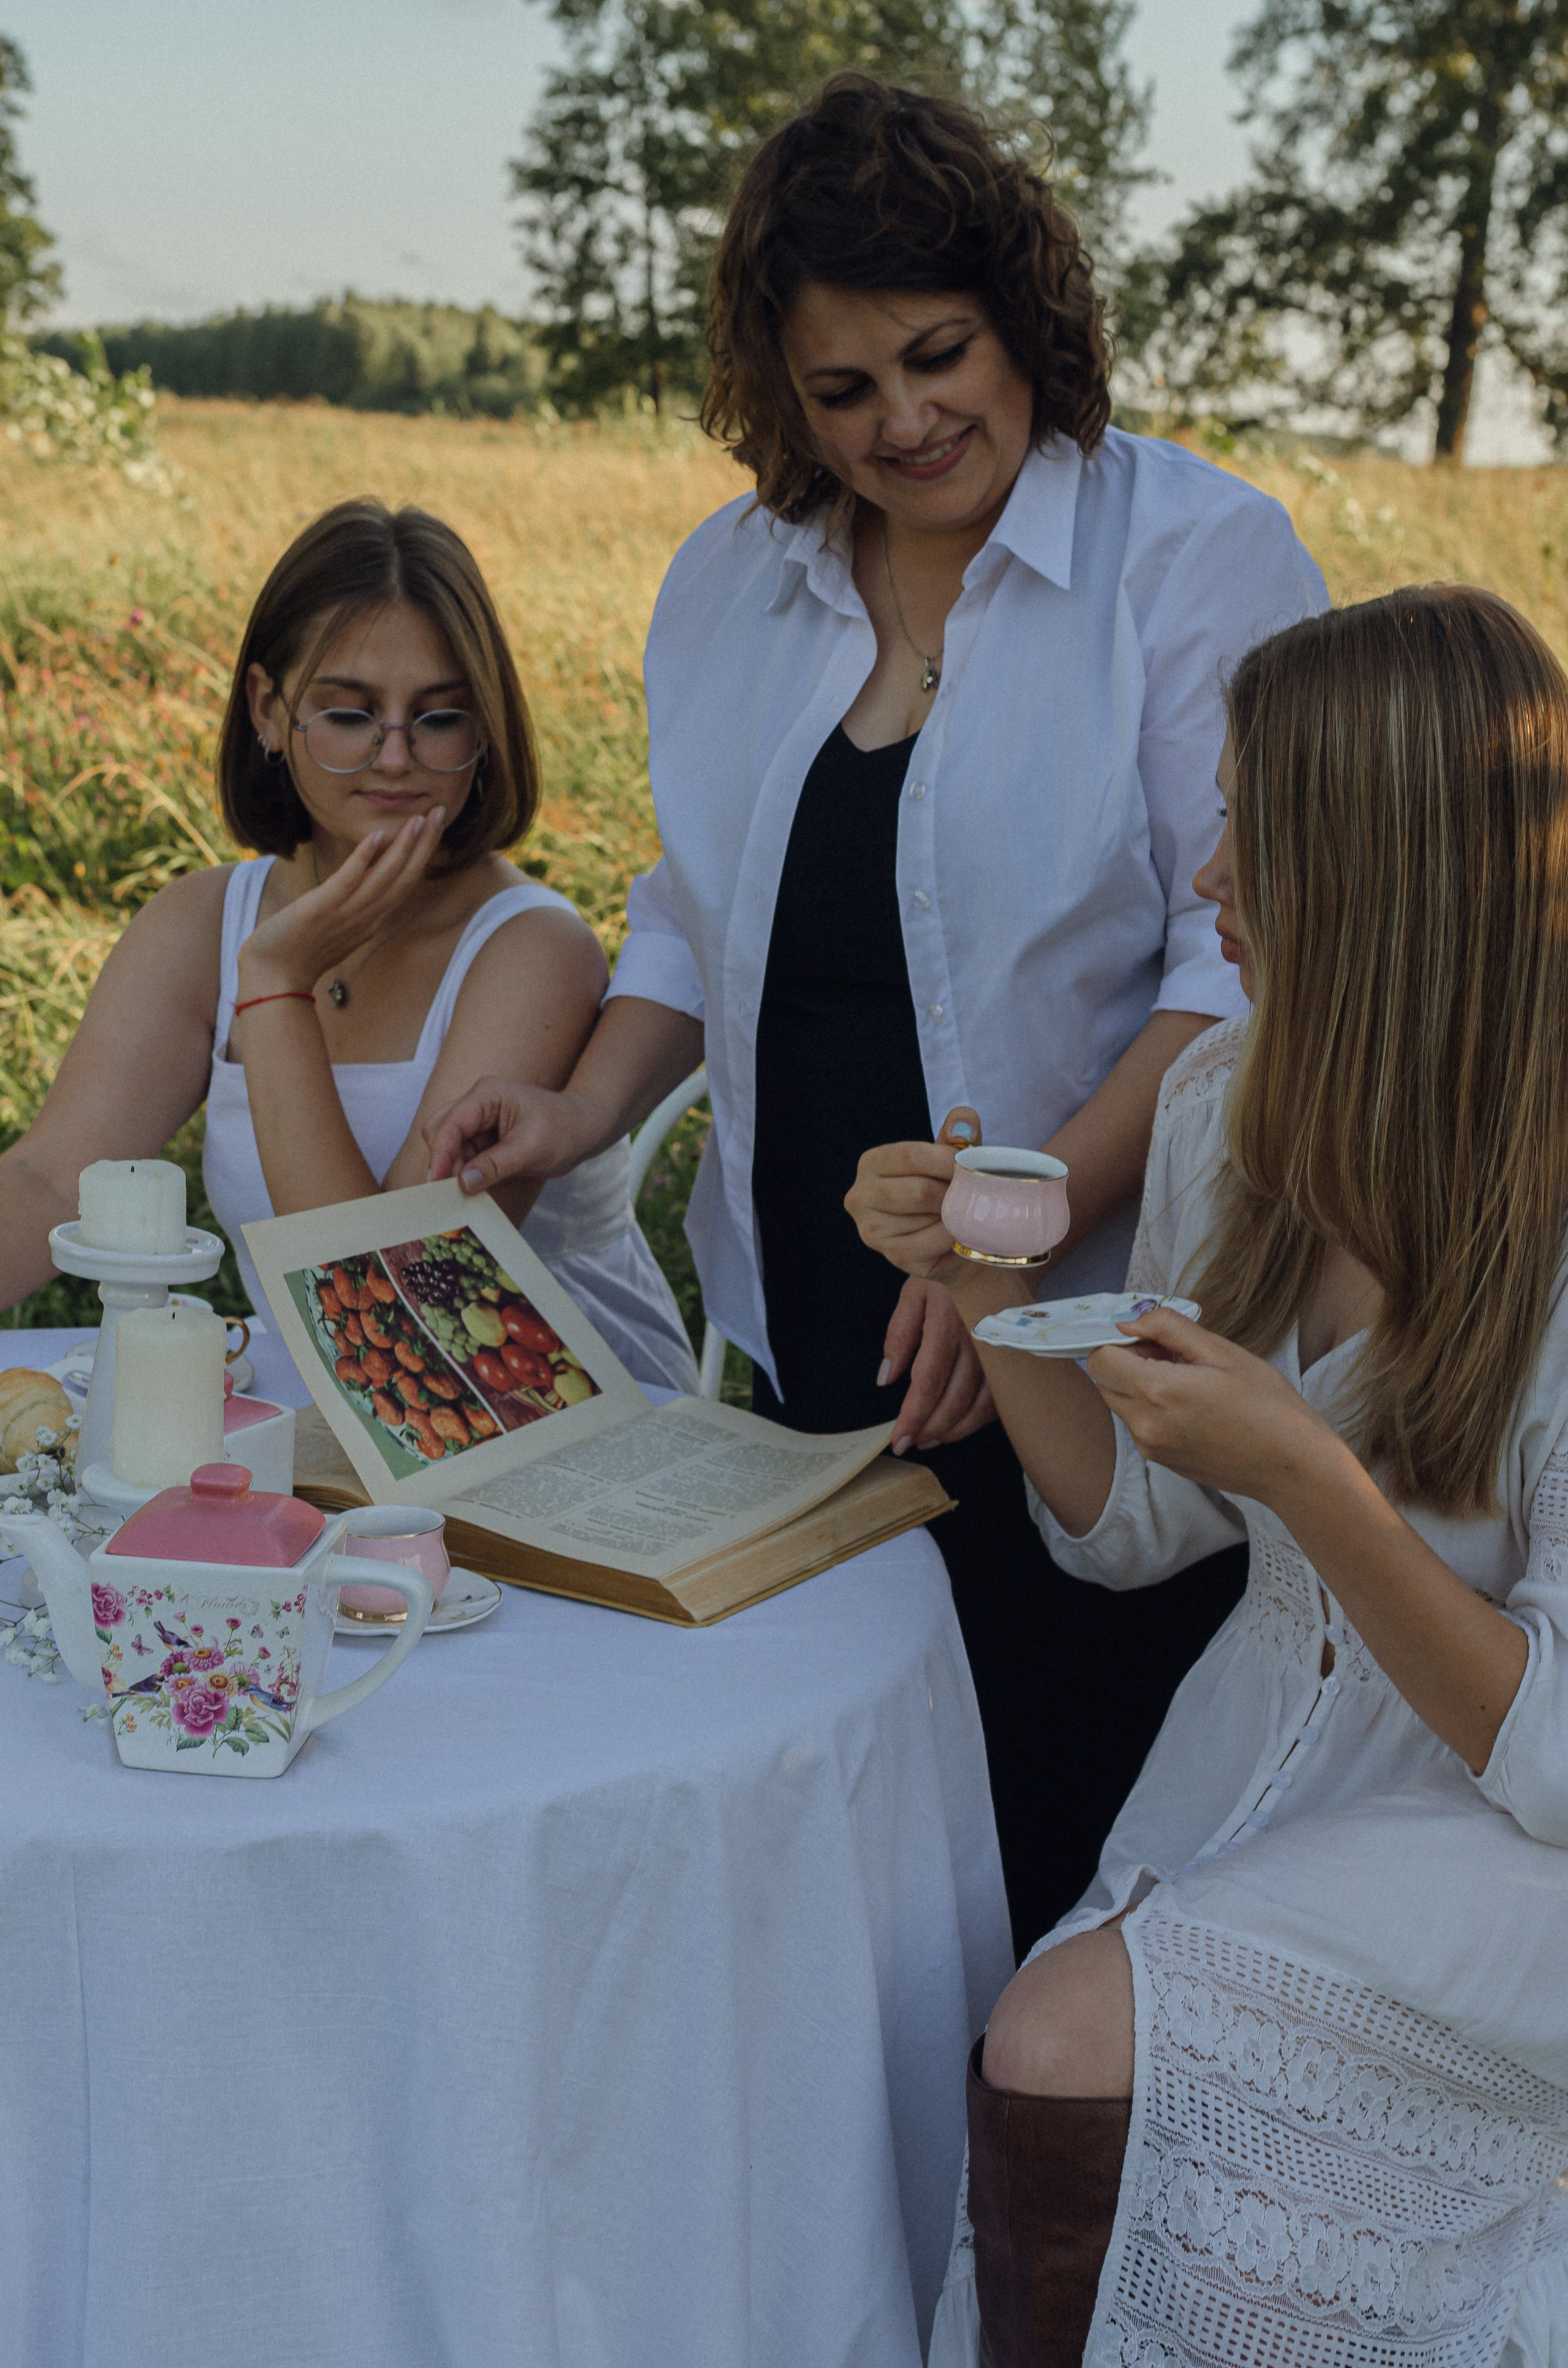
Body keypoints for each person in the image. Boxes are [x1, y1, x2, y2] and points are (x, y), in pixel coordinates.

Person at [425, 74, 1328, 1953]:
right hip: (809, 1318)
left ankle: (1040, 2231)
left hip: (1091, 1314)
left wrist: (1000, 1230)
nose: (906, 422)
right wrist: (586, 1113)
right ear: (781, 391)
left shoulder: (1196, 560)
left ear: (1026, 317)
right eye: (844, 392)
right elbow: (694, 912)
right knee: (839, 1856)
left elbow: (1230, 964)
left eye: (940, 356)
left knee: (1055, 1834)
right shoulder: (728, 584)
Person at [848, 583, 1568, 2367]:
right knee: (1075, 2079)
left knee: (1062, 2037)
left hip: (1516, 1843)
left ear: (1385, 870)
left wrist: (1315, 1477)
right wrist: (984, 1280)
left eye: (1253, 826)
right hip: (1262, 1770)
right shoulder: (1233, 1105)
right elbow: (1134, 1532)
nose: (1209, 878)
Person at [0, 499, 697, 1402]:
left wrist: (278, 987)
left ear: (483, 731)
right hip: (318, 1420)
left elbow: (394, 1313)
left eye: (439, 718)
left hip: (548, 1436)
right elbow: (55, 1181)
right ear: (267, 707)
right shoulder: (200, 920)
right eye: (349, 713)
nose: (396, 756)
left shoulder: (533, 949)